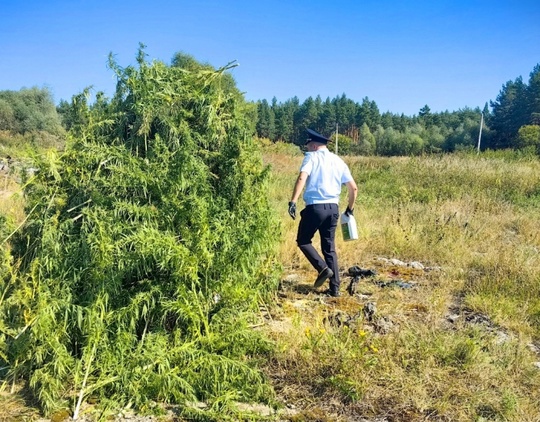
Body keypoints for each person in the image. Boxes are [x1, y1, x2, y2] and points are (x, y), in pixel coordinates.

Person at [288, 128, 358, 297]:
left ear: (313, 145)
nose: (308, 149)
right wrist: (349, 209)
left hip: (315, 208)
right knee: (329, 248)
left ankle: (323, 269)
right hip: (333, 209)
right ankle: (335, 289)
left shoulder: (311, 157)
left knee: (303, 240)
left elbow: (302, 178)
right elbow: (353, 188)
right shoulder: (339, 161)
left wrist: (293, 201)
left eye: (308, 146)